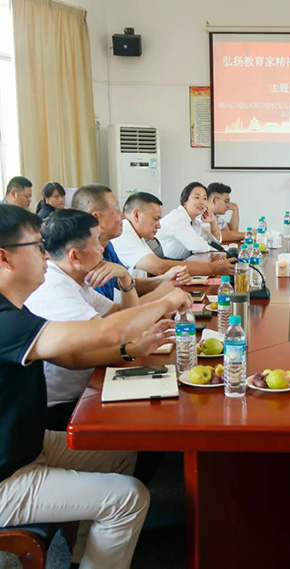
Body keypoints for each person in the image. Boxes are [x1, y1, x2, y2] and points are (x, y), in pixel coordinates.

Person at [0, 203, 191, 568]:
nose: (46, 255)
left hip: (28, 445)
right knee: (128, 497)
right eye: (37, 247)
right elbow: (107, 331)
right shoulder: (5, 320)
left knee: (120, 453)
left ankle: (83, 557)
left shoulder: (15, 309)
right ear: (4, 258)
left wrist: (128, 349)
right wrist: (167, 299)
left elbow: (68, 356)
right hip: (7, 477)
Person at [25, 209, 171, 431]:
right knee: (157, 420)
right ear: (75, 255)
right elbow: (113, 336)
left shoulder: (74, 279)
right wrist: (165, 301)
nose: (103, 249)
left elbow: (122, 314)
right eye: (96, 244)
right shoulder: (56, 289)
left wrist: (125, 279)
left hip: (92, 384)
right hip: (65, 406)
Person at [72, 184, 191, 301]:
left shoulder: (107, 246)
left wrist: (164, 279)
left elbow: (128, 284)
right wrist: (162, 296)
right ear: (97, 218)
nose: (122, 216)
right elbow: (115, 313)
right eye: (116, 210)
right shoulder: (82, 263)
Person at [111, 192, 235, 278]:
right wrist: (211, 268)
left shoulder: (138, 234)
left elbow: (145, 278)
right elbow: (158, 267)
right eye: (155, 219)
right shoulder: (124, 232)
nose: (159, 225)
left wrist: (167, 279)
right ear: (136, 215)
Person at [156, 182, 223, 260]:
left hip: (180, 262)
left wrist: (213, 222)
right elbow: (199, 247)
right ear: (185, 201)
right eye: (197, 197)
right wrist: (212, 247)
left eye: (204, 198)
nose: (201, 202)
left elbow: (213, 243)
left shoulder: (193, 222)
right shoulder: (178, 219)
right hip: (167, 263)